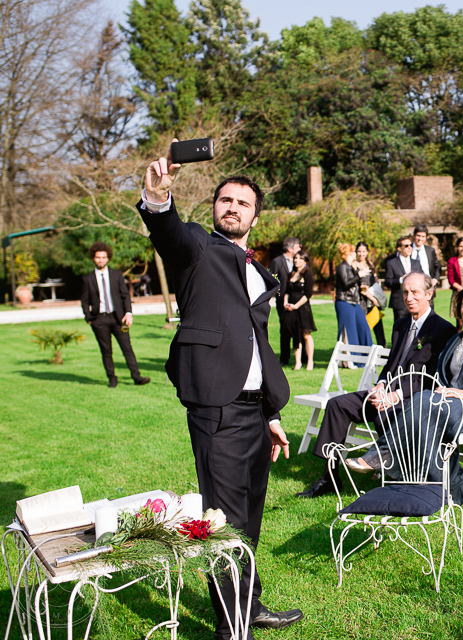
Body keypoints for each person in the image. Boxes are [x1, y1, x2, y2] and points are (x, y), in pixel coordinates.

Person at [138, 145, 301, 635]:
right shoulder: (197, 249)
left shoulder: (257, 268)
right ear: (214, 208)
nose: (232, 207)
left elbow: (255, 347)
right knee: (224, 524)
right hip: (218, 410)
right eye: (224, 200)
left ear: (255, 214)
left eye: (242, 203)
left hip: (254, 412)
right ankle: (235, 629)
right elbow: (167, 232)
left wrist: (271, 412)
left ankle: (248, 608)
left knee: (248, 521)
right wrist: (157, 196)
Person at [348, 283, 463, 506]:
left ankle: (383, 454)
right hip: (449, 404)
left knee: (424, 403)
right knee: (424, 411)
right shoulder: (457, 339)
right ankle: (456, 492)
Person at [297, 272, 456, 498]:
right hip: (385, 393)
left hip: (413, 400)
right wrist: (380, 385)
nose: (409, 298)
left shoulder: (443, 329)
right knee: (336, 405)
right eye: (405, 293)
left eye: (415, 293)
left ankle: (396, 474)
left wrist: (396, 396)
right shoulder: (401, 324)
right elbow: (392, 363)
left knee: (385, 416)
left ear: (429, 294)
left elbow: (429, 377)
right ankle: (329, 477)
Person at [80, 242, 150, 388]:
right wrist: (89, 318)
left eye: (103, 257)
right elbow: (84, 301)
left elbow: (125, 296)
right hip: (99, 320)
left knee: (127, 348)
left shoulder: (116, 275)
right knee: (106, 351)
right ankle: (112, 379)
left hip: (119, 319)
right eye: (98, 257)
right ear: (93, 258)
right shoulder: (88, 279)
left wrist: (128, 313)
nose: (101, 260)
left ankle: (137, 377)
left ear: (108, 258)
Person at [334, 243, 372, 359]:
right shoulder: (342, 267)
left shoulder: (351, 267)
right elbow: (345, 284)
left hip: (355, 301)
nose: (357, 253)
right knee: (350, 331)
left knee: (363, 327)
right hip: (345, 301)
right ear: (350, 253)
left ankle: (368, 356)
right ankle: (353, 359)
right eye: (355, 251)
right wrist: (359, 275)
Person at [283, 250, 317, 370]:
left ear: (305, 261)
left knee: (306, 335)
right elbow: (287, 291)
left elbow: (308, 294)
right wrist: (285, 302)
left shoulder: (307, 274)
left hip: (303, 309)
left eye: (300, 258)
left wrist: (297, 305)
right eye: (296, 258)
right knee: (295, 335)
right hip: (291, 309)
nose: (297, 260)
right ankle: (298, 362)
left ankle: (310, 361)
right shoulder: (291, 274)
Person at [269, 236, 300, 367]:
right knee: (285, 330)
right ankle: (284, 358)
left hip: (297, 301)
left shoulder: (300, 261)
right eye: (298, 246)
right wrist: (279, 296)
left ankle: (302, 358)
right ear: (290, 248)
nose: (300, 249)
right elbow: (272, 280)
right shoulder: (276, 262)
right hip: (283, 302)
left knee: (299, 329)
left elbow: (305, 271)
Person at [384, 236, 422, 325]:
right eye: (406, 246)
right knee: (401, 330)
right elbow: (387, 282)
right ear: (399, 248)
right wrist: (401, 279)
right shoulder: (391, 263)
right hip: (399, 303)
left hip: (415, 302)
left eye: (411, 245)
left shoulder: (416, 263)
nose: (409, 247)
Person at [355, 242, 386, 347]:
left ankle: (383, 352)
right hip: (362, 302)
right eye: (359, 251)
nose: (361, 254)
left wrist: (376, 296)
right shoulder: (354, 265)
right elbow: (358, 286)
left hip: (373, 302)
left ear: (367, 252)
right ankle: (365, 351)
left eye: (363, 251)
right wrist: (371, 297)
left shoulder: (370, 264)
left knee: (378, 327)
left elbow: (375, 282)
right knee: (364, 328)